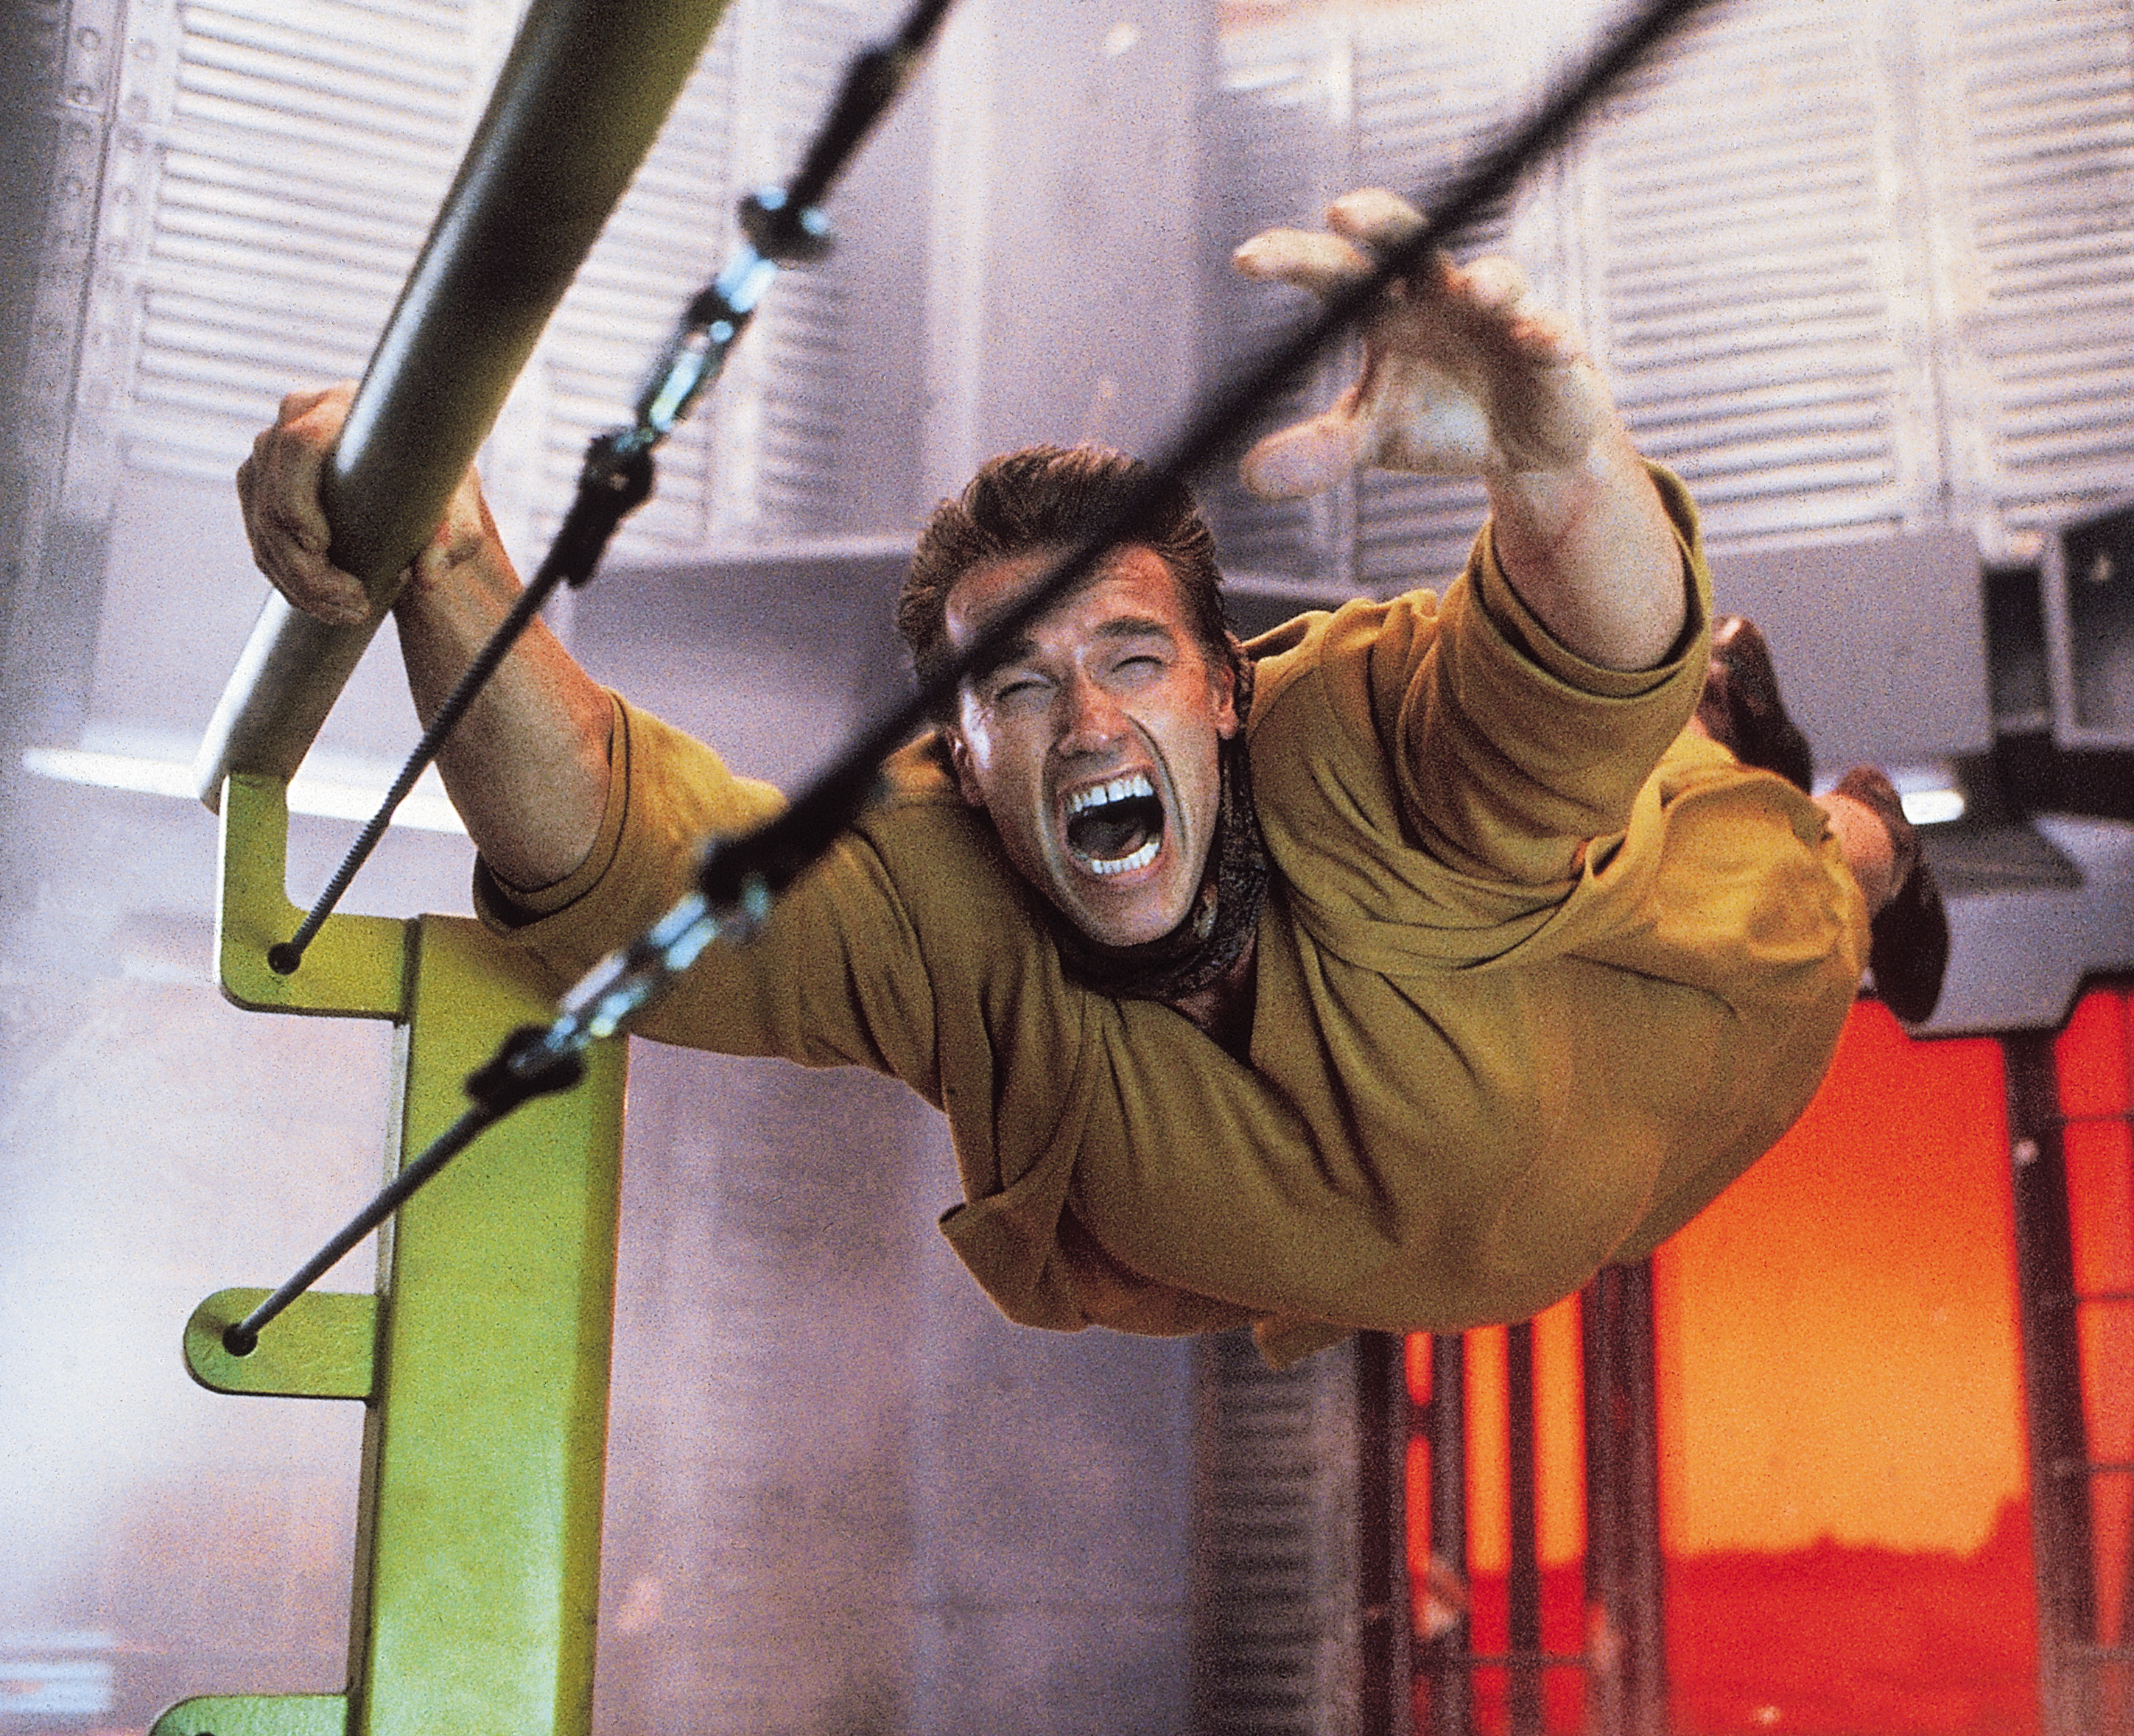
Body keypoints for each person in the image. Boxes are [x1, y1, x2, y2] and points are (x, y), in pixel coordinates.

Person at [238, 190, 1945, 1364]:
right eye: (1018, 687)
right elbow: (622, 863)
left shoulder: (1346, 749)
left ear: (1226, 691)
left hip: (1688, 1009)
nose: (1086, 725)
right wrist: (440, 553)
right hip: (1495, 1231)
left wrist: (1561, 473)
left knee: (1793, 858)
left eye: (1132, 660)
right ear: (962, 760)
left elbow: (1557, 687)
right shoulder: (944, 916)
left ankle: (1812, 781)